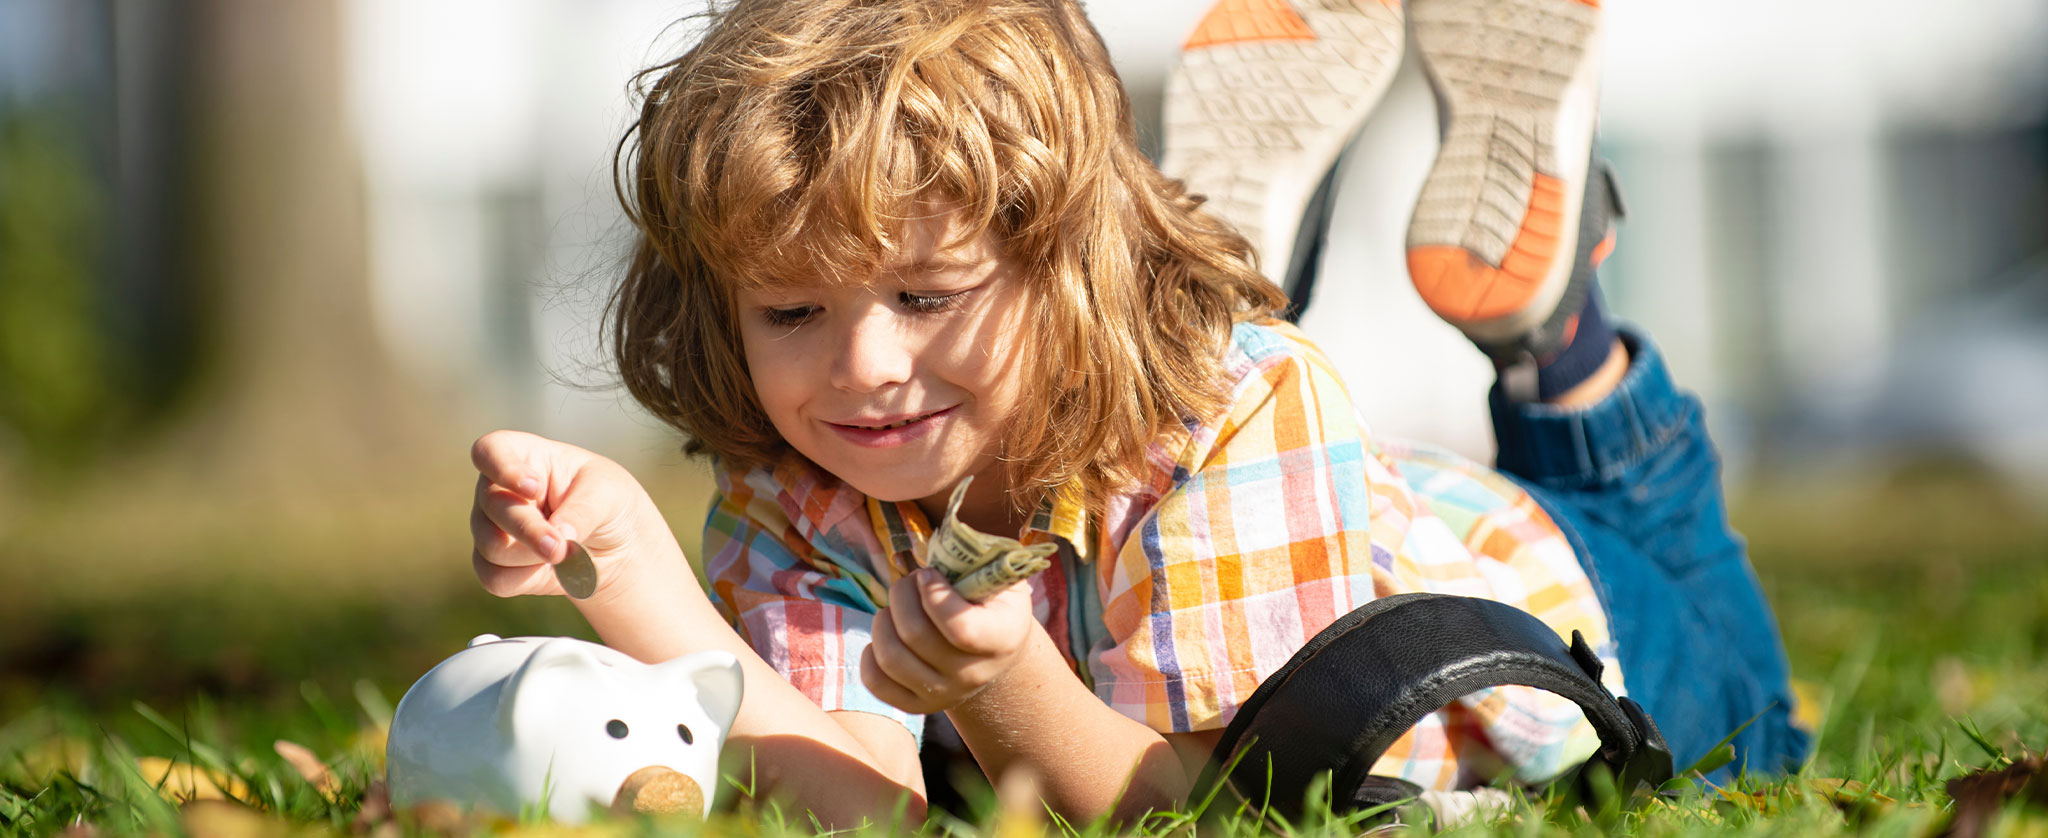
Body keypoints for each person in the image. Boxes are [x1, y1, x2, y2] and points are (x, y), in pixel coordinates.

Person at [464, 0, 1808, 828]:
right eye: (792, 313)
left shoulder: (1235, 407)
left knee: (1749, 701)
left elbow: (1219, 806)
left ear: (1054, 267)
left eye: (927, 297)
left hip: (1588, 616)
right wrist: (632, 570)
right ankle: (1215, 239)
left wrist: (1004, 684)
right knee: (1198, 373)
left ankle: (1553, 316)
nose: (860, 366)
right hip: (1307, 506)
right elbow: (860, 792)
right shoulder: (799, 478)